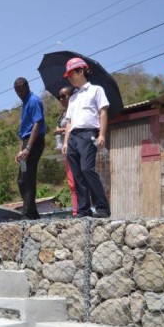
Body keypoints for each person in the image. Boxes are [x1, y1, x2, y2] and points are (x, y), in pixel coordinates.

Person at [61, 57, 111, 218]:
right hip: (73, 137)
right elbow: (69, 121)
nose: (69, 77)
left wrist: (102, 134)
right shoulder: (73, 98)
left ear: (80, 71)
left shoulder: (96, 90)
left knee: (87, 169)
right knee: (77, 175)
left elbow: (103, 112)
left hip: (88, 133)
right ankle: (83, 210)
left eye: (71, 73)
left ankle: (103, 207)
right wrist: (65, 141)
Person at [13, 77, 46, 220]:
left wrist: (28, 148)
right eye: (17, 91)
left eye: (21, 89)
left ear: (27, 86)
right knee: (23, 178)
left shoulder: (33, 101)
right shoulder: (25, 103)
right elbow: (25, 131)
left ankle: (28, 213)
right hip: (26, 142)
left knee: (27, 177)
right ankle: (32, 212)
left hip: (34, 141)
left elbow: (36, 124)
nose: (20, 93)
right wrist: (22, 149)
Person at [54, 86, 78, 216]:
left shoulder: (76, 109)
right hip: (66, 147)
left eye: (64, 96)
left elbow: (77, 126)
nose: (61, 99)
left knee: (77, 179)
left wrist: (61, 131)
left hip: (75, 146)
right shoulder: (63, 113)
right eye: (59, 97)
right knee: (71, 181)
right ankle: (75, 210)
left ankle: (79, 209)